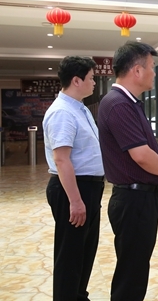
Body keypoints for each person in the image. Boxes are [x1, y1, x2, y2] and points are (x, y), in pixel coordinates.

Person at [98, 41, 158, 301]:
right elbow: (142, 156)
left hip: (140, 197)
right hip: (133, 201)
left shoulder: (129, 102)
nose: (154, 73)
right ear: (136, 70)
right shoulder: (118, 104)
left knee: (135, 269)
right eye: (152, 67)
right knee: (131, 275)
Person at [44, 56, 105, 301]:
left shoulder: (80, 108)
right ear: (76, 80)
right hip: (73, 189)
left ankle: (78, 295)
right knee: (70, 254)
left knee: (84, 251)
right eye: (91, 78)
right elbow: (62, 160)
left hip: (88, 187)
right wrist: (76, 201)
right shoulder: (62, 112)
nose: (94, 83)